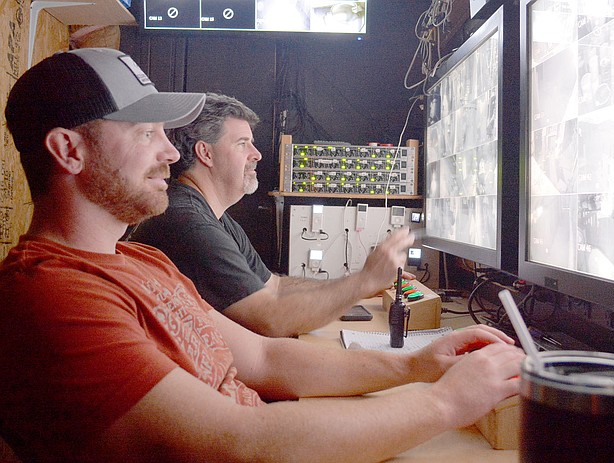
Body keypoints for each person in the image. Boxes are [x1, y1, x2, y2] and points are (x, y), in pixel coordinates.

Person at [0, 47, 524, 463]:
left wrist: (415, 366)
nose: (172, 152)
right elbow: (237, 444)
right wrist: (446, 403)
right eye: (146, 134)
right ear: (69, 150)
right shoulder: (50, 296)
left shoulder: (141, 261)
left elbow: (266, 358)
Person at [130, 92, 417, 337]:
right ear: (205, 153)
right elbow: (270, 319)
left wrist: (363, 284)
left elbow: (275, 286)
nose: (257, 154)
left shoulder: (213, 217)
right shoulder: (187, 222)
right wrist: (364, 281)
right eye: (242, 144)